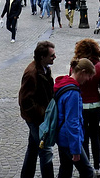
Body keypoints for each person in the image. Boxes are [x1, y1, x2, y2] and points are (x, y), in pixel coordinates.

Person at [19, 41, 56, 178]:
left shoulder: (44, 68)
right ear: (42, 57)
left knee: (33, 148)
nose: (55, 57)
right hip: (36, 118)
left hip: (40, 116)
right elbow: (26, 102)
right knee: (45, 150)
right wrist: (43, 115)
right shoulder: (32, 73)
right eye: (52, 55)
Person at [54, 58, 96, 178]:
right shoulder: (73, 93)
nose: (87, 80)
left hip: (61, 136)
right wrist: (76, 150)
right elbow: (72, 122)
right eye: (88, 76)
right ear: (82, 72)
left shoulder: (63, 84)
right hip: (69, 139)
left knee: (65, 169)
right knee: (87, 172)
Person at [74, 39, 100, 176]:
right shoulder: (99, 67)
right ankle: (97, 166)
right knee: (95, 135)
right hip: (95, 105)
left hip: (81, 105)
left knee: (84, 135)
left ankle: (86, 164)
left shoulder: (76, 66)